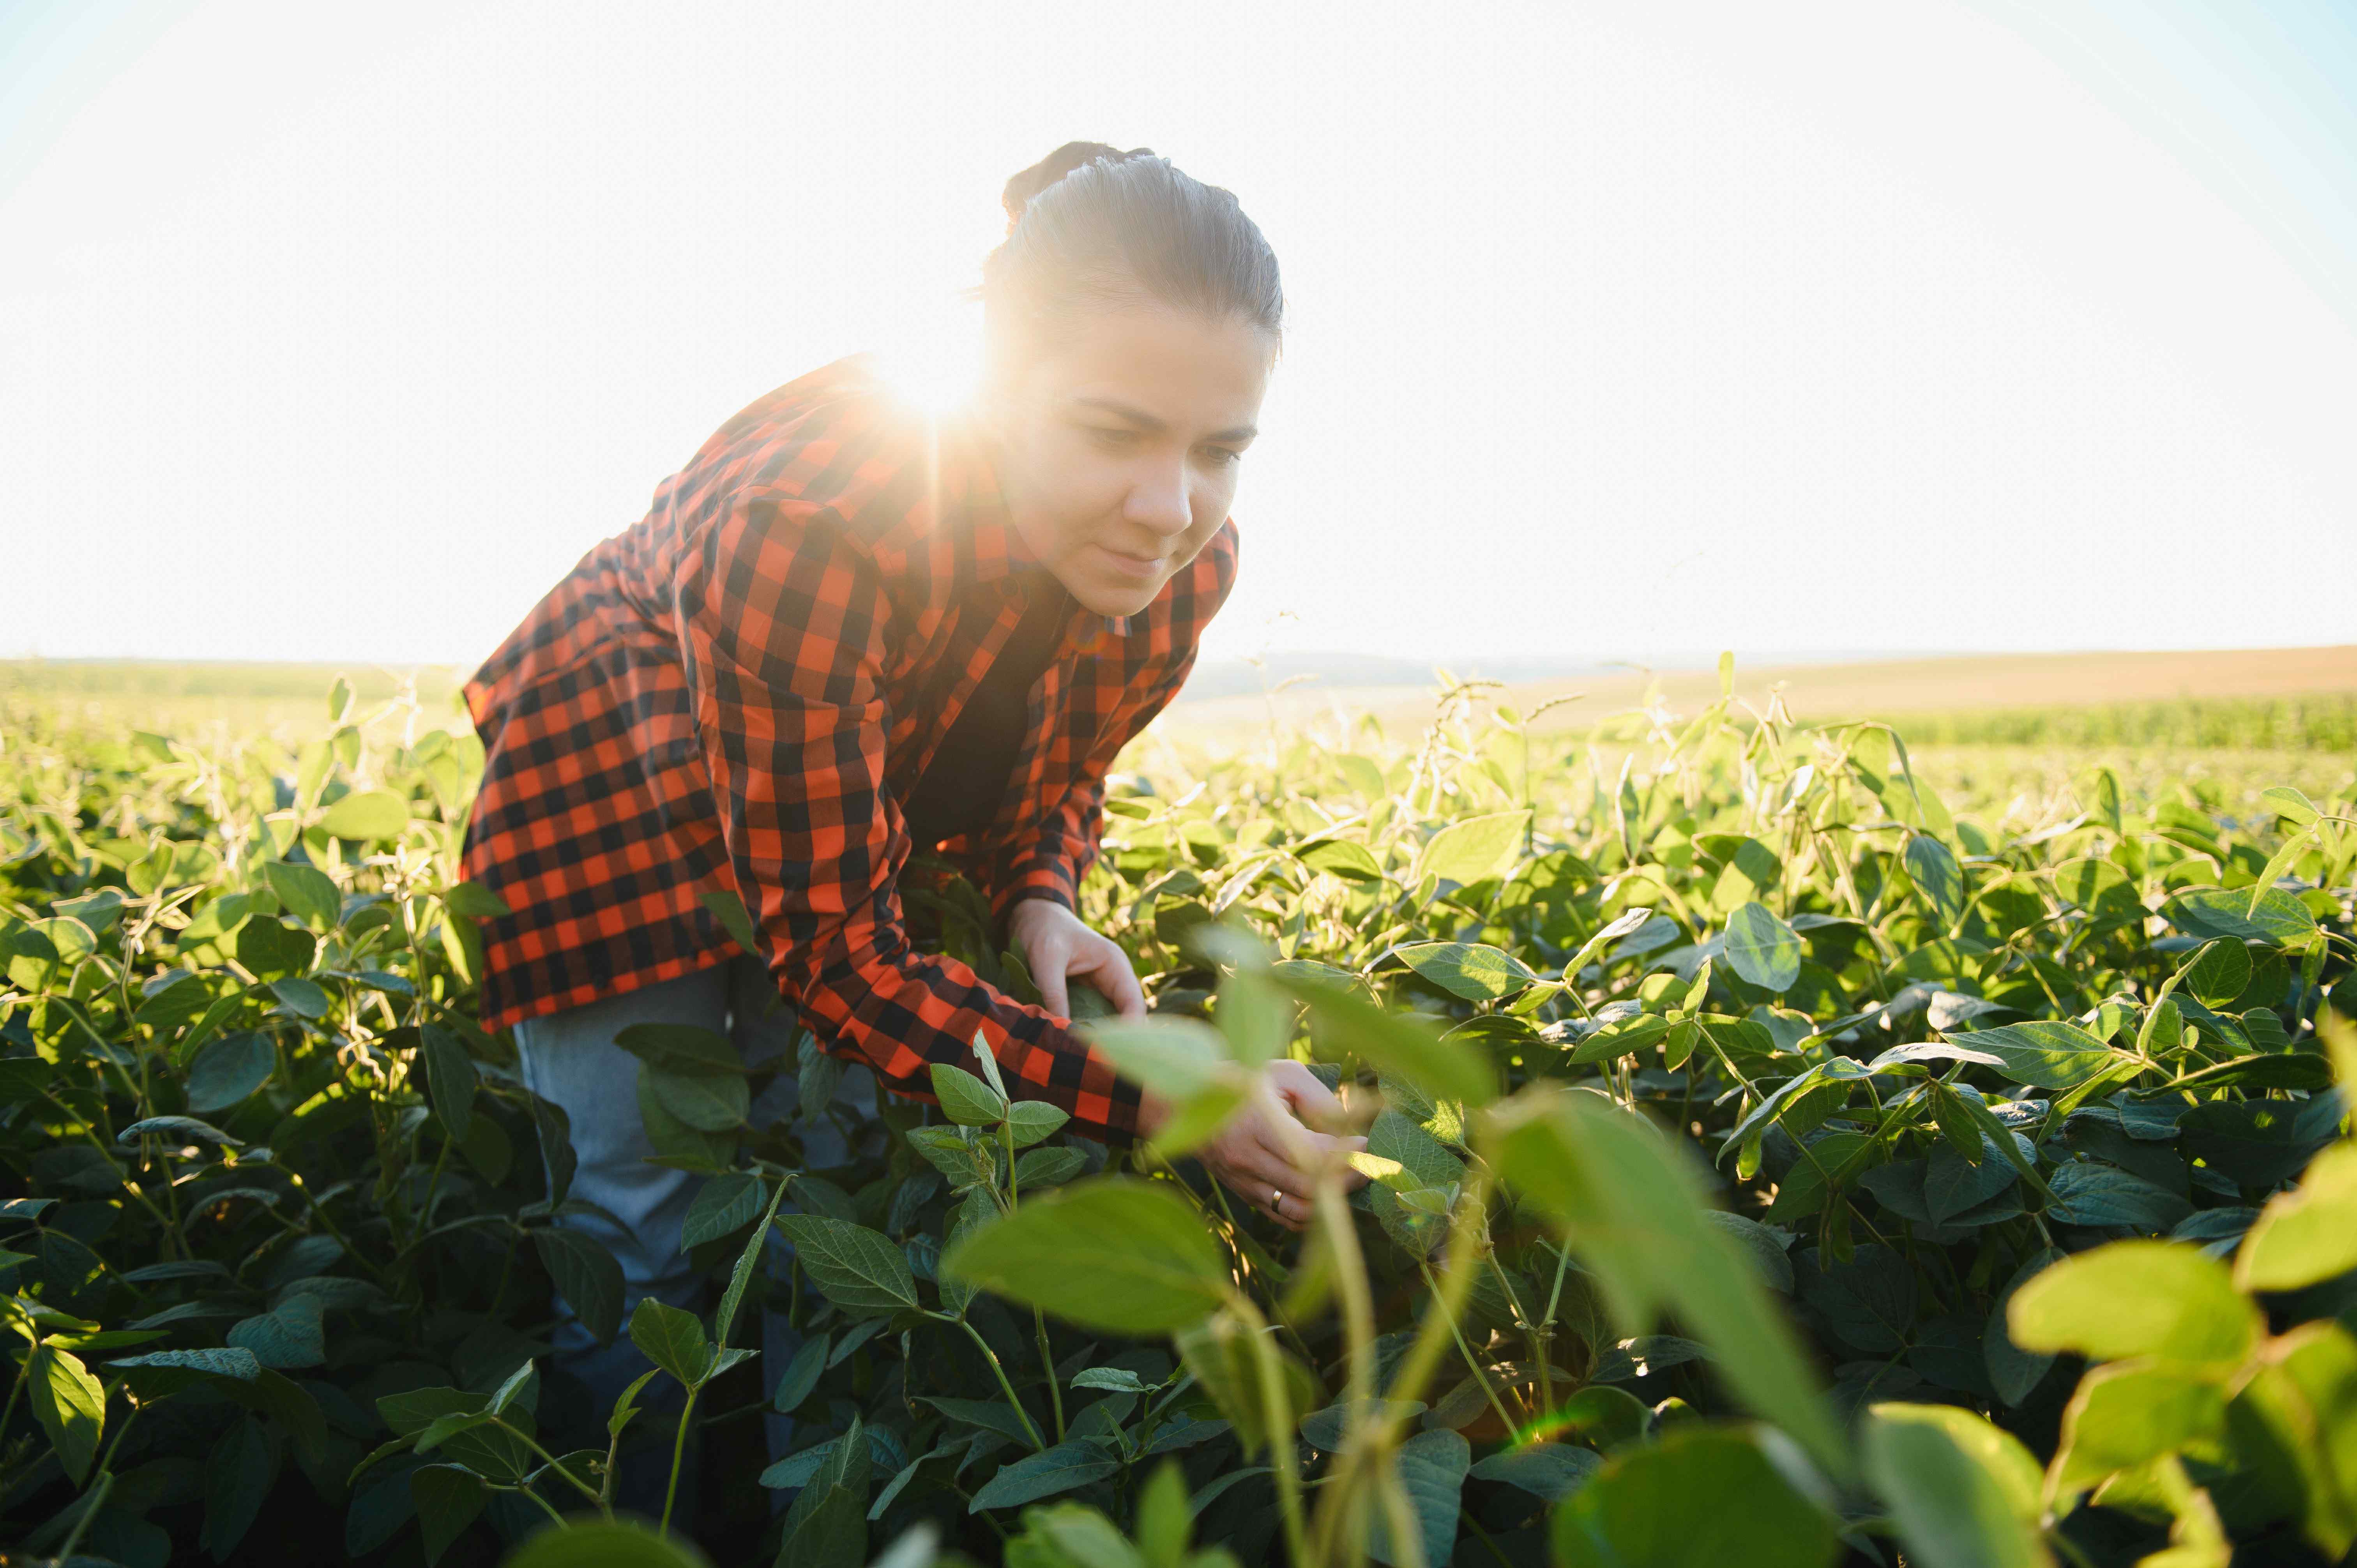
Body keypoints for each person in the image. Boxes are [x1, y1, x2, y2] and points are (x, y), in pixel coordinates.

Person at [457, 141, 1368, 1507]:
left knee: (810, 1178)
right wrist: (1167, 1097)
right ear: (995, 390)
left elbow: (1058, 764)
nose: (1170, 508)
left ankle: (782, 1510)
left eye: (1219, 450)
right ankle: (634, 1524)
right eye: (1116, 432)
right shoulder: (808, 524)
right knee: (637, 1212)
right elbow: (835, 953)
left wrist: (1040, 892)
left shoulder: (1179, 562)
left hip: (806, 807)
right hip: (609, 791)